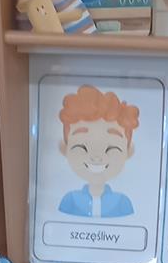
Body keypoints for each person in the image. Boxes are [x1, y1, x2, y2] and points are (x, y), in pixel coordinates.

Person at [56, 83, 138, 218]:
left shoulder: (123, 204)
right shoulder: (69, 201)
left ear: (128, 151)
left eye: (111, 148)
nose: (96, 157)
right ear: (65, 148)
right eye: (82, 147)